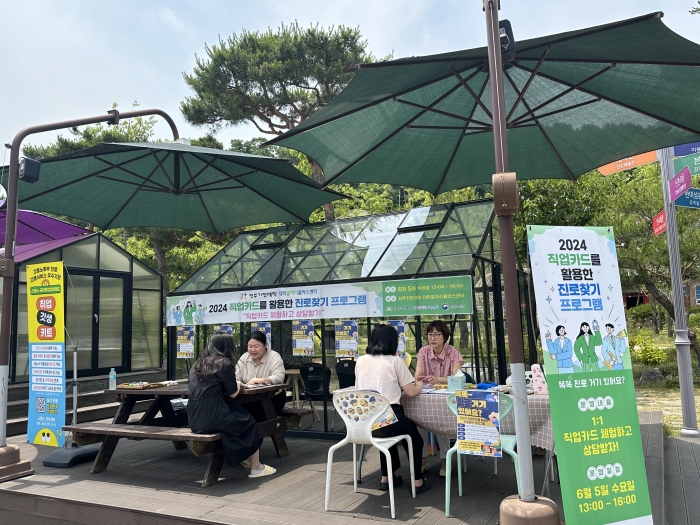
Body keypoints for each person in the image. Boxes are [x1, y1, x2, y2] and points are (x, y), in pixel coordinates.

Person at [187, 333, 275, 478]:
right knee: (249, 421)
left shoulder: (197, 364)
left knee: (236, 420)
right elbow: (233, 394)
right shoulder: (224, 363)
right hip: (213, 416)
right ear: (227, 347)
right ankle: (256, 467)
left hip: (195, 420)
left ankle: (241, 457)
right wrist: (238, 384)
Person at [355, 324, 430, 494]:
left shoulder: (360, 360)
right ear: (392, 342)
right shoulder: (395, 361)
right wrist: (421, 384)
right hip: (388, 419)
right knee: (414, 439)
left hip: (365, 422)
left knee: (387, 433)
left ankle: (386, 478)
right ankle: (418, 481)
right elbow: (411, 392)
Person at [414, 320, 463, 476]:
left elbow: (457, 378)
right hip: (426, 395)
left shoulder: (453, 352)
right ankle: (423, 458)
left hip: (447, 398)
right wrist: (424, 379)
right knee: (418, 421)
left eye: (436, 334)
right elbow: (417, 376)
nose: (432, 338)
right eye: (430, 334)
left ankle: (445, 459)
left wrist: (439, 379)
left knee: (441, 423)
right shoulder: (423, 351)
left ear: (445, 336)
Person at [236, 331, 287, 420]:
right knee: (236, 414)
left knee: (250, 417)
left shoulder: (274, 356)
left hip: (273, 398)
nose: (253, 350)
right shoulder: (244, 357)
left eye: (256, 346)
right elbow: (235, 376)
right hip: (249, 399)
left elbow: (279, 377)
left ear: (265, 345)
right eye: (250, 346)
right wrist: (239, 383)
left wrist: (262, 380)